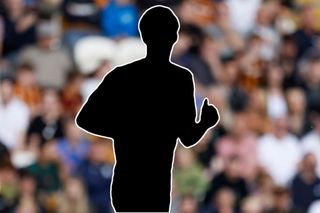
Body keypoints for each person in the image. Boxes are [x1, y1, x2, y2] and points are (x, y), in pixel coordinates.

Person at [76, 6, 219, 212]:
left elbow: (86, 118)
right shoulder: (178, 80)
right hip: (146, 182)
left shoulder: (127, 75)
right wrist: (204, 122)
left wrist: (204, 122)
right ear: (173, 37)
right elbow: (189, 137)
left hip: (147, 182)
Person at [0, 73, 30, 150]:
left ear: (13, 88)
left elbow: (21, 134)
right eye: (1, 86)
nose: (3, 90)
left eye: (6, 86)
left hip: (9, 147)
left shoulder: (21, 108)